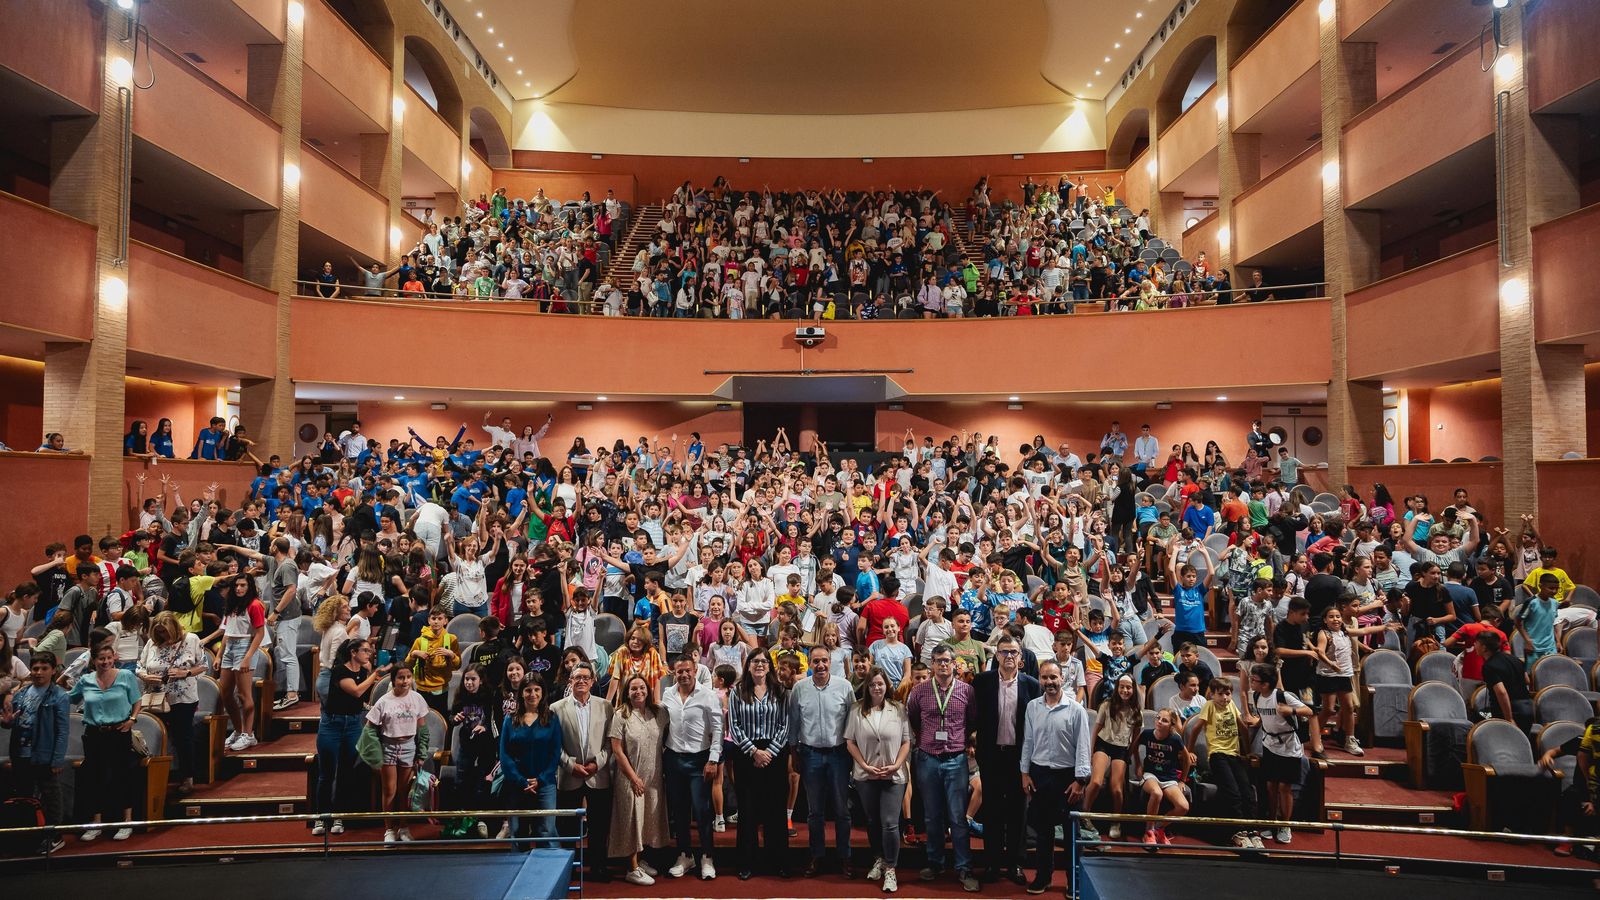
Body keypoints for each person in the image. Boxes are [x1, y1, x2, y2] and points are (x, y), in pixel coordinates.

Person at [968, 632, 1040, 884]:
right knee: (993, 811)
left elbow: (1036, 726)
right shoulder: (982, 681)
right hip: (991, 756)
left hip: (1019, 759)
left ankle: (1016, 864)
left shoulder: (1032, 685)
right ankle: (992, 864)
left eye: (1014, 652)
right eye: (1004, 652)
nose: (1009, 656)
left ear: (1021, 657)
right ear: (996, 655)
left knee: (1018, 812)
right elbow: (973, 716)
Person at [906, 645, 979, 892]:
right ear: (932, 665)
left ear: (953, 663)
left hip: (956, 759)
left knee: (958, 817)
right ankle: (935, 862)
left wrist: (963, 741)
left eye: (947, 660)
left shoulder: (967, 691)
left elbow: (972, 721)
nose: (943, 665)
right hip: (928, 758)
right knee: (932, 815)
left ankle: (963, 867)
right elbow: (914, 720)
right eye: (938, 661)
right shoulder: (919, 692)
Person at [1020, 659, 1092, 895]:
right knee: (1043, 832)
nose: (1049, 682)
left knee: (1072, 834)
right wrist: (1025, 773)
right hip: (1040, 775)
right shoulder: (1032, 707)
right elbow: (1028, 741)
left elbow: (1083, 746)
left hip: (1067, 778)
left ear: (1062, 678)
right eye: (1045, 677)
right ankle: (1043, 877)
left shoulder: (1076, 709)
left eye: (1053, 677)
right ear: (1039, 679)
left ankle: (1074, 881)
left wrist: (1080, 781)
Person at [790, 643, 857, 877]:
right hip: (810, 755)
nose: (820, 665)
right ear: (809, 664)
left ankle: (844, 857)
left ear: (831, 662)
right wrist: (793, 751)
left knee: (841, 810)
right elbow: (794, 723)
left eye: (824, 661)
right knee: (814, 811)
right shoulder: (799, 688)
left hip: (838, 754)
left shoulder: (844, 686)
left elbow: (853, 721)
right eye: (816, 661)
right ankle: (816, 856)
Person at [846, 666, 912, 894]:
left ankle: (891, 868)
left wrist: (896, 765)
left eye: (880, 684)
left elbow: (906, 741)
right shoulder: (856, 709)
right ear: (867, 687)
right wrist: (864, 765)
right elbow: (850, 742)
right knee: (873, 820)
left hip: (893, 774)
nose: (876, 687)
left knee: (890, 822)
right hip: (866, 774)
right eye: (872, 684)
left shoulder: (899, 709)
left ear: (886, 685)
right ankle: (879, 858)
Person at [658, 652, 721, 880]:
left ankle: (707, 856)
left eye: (687, 671)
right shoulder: (667, 694)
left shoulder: (707, 695)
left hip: (700, 760)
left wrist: (713, 759)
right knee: (680, 810)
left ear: (695, 671)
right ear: (674, 673)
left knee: (702, 811)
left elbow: (717, 729)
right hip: (674, 759)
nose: (683, 674)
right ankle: (684, 855)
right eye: (679, 671)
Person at [728, 652, 791, 879]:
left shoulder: (780, 691)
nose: (760, 665)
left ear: (769, 666)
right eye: (755, 661)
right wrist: (754, 752)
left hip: (774, 755)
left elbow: (785, 724)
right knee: (748, 810)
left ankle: (779, 862)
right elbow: (734, 726)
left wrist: (769, 753)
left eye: (764, 661)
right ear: (748, 665)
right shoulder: (737, 691)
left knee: (775, 810)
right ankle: (747, 862)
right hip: (747, 755)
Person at [69, 644, 141, 841]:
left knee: (122, 775)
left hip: (119, 732)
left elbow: (136, 700)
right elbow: (69, 698)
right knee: (94, 777)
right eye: (101, 658)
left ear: (113, 658)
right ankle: (96, 823)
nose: (106, 662)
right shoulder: (85, 680)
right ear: (94, 660)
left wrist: (132, 719)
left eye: (109, 658)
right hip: (94, 734)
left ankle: (126, 822)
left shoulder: (126, 676)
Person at [551, 660, 613, 882]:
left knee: (599, 827)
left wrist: (598, 763)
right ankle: (568, 870)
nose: (582, 681)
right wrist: (570, 765)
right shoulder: (556, 708)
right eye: (578, 677)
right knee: (567, 830)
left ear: (593, 681)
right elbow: (554, 744)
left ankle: (598, 868)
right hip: (570, 776)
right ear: (570, 680)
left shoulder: (606, 706)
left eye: (586, 678)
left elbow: (610, 743)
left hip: (599, 775)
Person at [2, 650, 69, 853]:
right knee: (25, 796)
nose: (38, 672)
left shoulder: (59, 696)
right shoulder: (22, 693)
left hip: (44, 754)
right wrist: (8, 723)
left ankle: (55, 835)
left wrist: (57, 760)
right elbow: (12, 721)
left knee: (51, 797)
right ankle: (29, 836)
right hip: (21, 753)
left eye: (44, 668)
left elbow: (62, 731)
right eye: (35, 668)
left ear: (53, 671)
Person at [317, 637, 385, 834]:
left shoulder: (363, 672)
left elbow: (358, 701)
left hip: (353, 724)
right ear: (353, 653)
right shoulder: (340, 670)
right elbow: (355, 691)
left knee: (346, 772)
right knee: (327, 773)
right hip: (332, 725)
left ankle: (339, 816)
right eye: (365, 650)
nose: (369, 653)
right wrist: (375, 675)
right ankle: (321, 818)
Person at [136, 611, 205, 796]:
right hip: (156, 697)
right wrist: (144, 676)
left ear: (173, 628)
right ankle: (160, 776)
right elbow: (140, 666)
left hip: (182, 698)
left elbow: (204, 665)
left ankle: (187, 776)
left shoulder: (191, 639)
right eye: (158, 632)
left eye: (165, 632)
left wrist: (186, 673)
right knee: (157, 736)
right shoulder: (152, 643)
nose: (162, 636)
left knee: (183, 737)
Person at [1188, 677, 1259, 848]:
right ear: (1212, 694)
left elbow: (1242, 727)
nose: (1225, 698)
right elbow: (1196, 728)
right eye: (1220, 694)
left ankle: (1251, 830)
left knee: (1247, 791)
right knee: (1232, 792)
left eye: (1227, 694)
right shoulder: (1209, 706)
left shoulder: (1231, 706)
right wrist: (1189, 750)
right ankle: (1238, 831)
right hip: (1217, 755)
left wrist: (1247, 751)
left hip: (1234, 755)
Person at [1247, 663, 1311, 844]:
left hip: (1288, 747)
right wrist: (1257, 723)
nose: (1251, 682)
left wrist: (1290, 710)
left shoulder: (1283, 696)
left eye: (1254, 680)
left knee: (1285, 787)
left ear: (1265, 684)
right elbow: (1265, 716)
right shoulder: (1257, 696)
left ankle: (1285, 824)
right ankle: (1272, 821)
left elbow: (1309, 711)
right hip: (1269, 745)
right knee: (1271, 785)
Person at [203, 574, 267, 751]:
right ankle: (238, 731)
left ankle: (249, 733)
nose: (239, 588)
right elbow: (227, 632)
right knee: (225, 693)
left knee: (243, 694)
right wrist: (218, 655)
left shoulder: (254, 605)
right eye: (237, 585)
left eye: (243, 585)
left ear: (249, 586)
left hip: (245, 645)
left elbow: (259, 633)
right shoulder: (232, 605)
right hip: (230, 646)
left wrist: (248, 656)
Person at [499, 675, 563, 848]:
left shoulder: (552, 719)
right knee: (518, 832)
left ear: (542, 693)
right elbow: (505, 755)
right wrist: (521, 780)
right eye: (528, 690)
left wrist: (540, 780)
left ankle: (547, 873)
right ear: (521, 693)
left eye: (536, 690)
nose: (532, 694)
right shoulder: (510, 719)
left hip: (545, 785)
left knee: (546, 831)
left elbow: (555, 753)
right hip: (516, 785)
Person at [368, 663, 429, 842]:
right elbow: (369, 729)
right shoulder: (384, 701)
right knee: (390, 791)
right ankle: (389, 829)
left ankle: (403, 827)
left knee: (404, 790)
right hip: (388, 747)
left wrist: (422, 753)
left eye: (408, 677)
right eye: (401, 677)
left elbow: (423, 730)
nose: (405, 681)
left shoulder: (417, 698)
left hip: (409, 746)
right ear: (393, 680)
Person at [1082, 674, 1141, 840]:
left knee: (1116, 788)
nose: (1125, 690)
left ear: (1133, 689)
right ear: (1117, 688)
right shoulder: (1107, 705)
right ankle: (1084, 815)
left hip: (1121, 748)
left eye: (1128, 687)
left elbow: (1135, 739)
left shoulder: (1136, 711)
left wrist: (1134, 761)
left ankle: (1116, 821)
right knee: (1096, 781)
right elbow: (1096, 730)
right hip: (1103, 743)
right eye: (1122, 687)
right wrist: (1090, 752)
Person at [1132, 707, 1190, 846]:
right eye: (1158, 718)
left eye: (1164, 720)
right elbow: (1133, 748)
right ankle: (1149, 831)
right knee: (1157, 793)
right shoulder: (1147, 734)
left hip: (1169, 777)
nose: (1159, 722)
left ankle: (1159, 828)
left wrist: (1182, 780)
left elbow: (1187, 759)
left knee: (1183, 806)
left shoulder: (1175, 739)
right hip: (1151, 774)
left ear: (1171, 725)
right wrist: (1138, 765)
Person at [1478, 630, 1533, 734]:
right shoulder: (1515, 659)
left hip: (1509, 711)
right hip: (1527, 708)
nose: (1474, 645)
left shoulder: (1489, 666)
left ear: (1484, 647)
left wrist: (1509, 718)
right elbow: (1527, 680)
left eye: (1476, 643)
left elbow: (1501, 692)